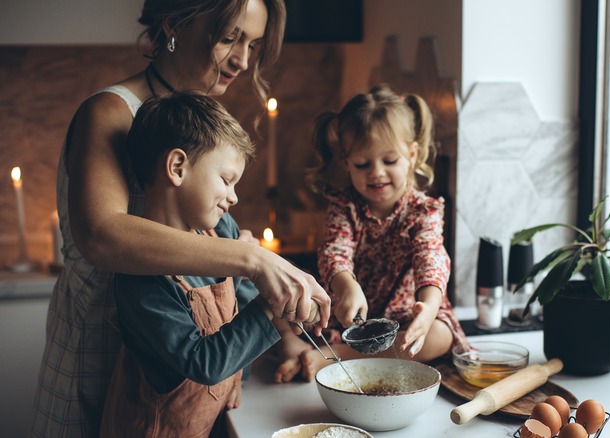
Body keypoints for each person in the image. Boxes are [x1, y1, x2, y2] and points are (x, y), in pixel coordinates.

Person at [31, 1, 329, 436]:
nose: (243, 60)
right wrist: (254, 259)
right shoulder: (111, 113)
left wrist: (281, 340)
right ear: (174, 23)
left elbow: (213, 267)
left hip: (182, 385)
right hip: (97, 359)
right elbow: (102, 235)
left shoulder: (198, 125)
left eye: (253, 45)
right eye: (230, 38)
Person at [100, 92, 315, 437]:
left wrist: (239, 373)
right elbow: (202, 362)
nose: (234, 196)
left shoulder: (219, 231)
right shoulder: (141, 278)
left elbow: (241, 295)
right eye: (226, 180)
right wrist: (272, 306)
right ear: (177, 167)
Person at [273, 85, 468, 383]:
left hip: (400, 316)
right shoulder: (344, 206)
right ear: (347, 164)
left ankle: (329, 357)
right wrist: (346, 287)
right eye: (363, 164)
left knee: (438, 336)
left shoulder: (423, 210)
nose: (376, 173)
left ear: (412, 155)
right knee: (284, 300)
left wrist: (428, 309)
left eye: (389, 161)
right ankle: (293, 344)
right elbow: (334, 252)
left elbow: (431, 258)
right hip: (348, 313)